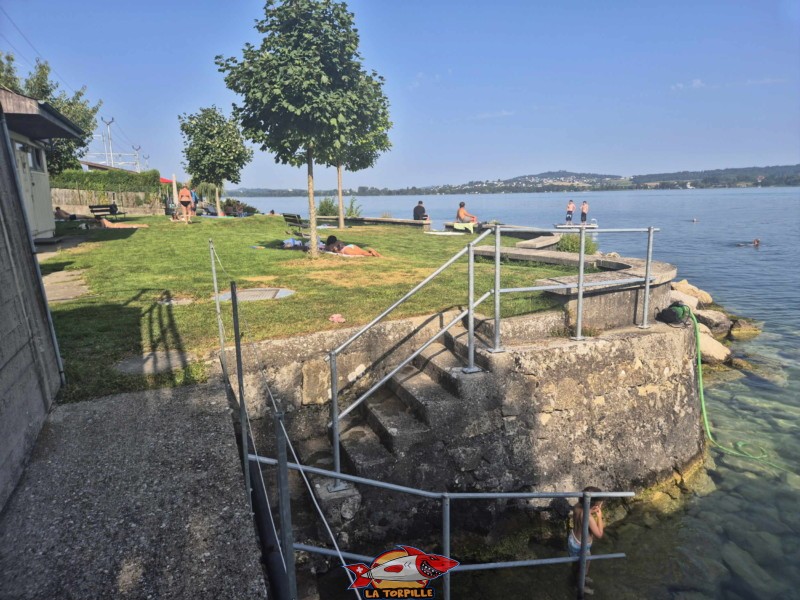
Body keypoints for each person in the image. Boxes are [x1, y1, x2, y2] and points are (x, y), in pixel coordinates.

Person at [568, 486, 605, 595]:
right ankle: (581, 586)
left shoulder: (577, 507)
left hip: (573, 540)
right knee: (584, 567)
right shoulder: (588, 517)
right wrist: (599, 517)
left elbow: (582, 514)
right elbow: (599, 534)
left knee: (576, 563)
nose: (601, 505)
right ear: (596, 505)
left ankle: (576, 577)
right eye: (600, 503)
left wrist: (590, 509)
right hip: (582, 546)